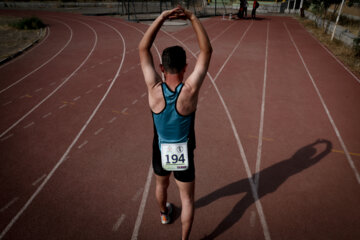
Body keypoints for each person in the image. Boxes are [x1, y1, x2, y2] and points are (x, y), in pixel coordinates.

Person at [138, 6, 212, 240]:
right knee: (187, 199)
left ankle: (163, 213)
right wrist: (191, 17)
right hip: (184, 151)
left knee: (161, 186)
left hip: (160, 149)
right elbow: (206, 50)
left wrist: (161, 17)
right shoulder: (189, 91)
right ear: (185, 68)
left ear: (161, 68)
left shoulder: (153, 89)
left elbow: (143, 48)